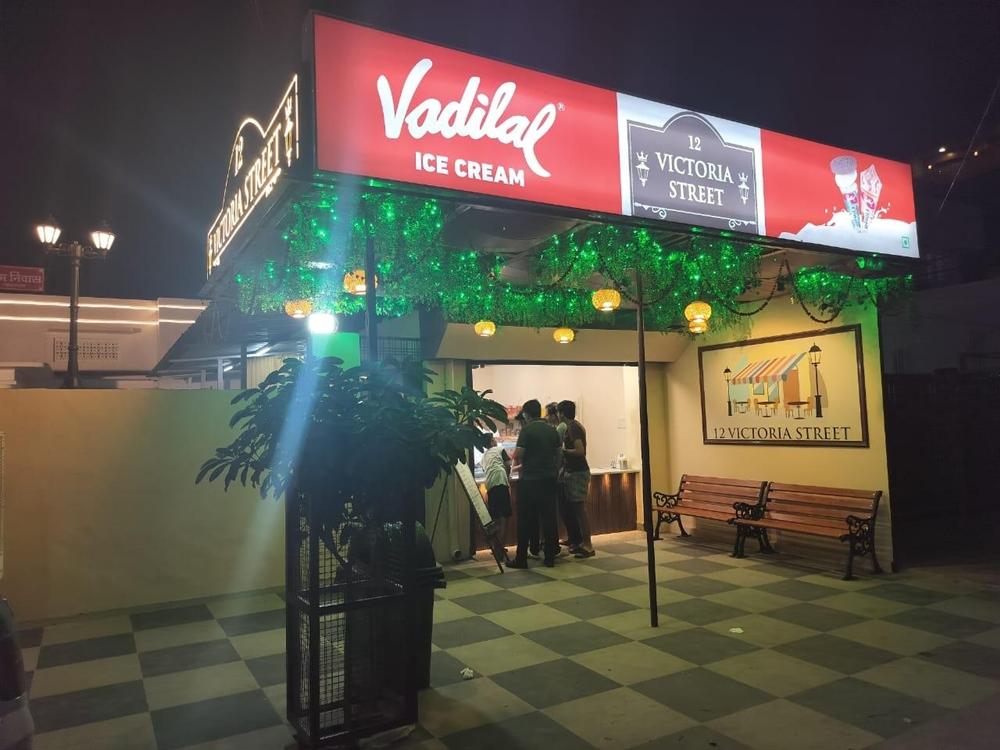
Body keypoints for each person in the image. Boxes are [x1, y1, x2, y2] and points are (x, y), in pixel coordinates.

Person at [508, 399, 561, 568]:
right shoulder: (552, 430)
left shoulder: (527, 430)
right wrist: (553, 471)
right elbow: (559, 455)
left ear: (526, 414)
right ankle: (550, 557)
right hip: (549, 480)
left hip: (529, 481)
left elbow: (519, 454)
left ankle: (521, 558)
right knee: (549, 519)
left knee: (525, 520)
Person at [558, 400, 594, 558]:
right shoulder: (576, 425)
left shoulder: (572, 427)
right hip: (575, 471)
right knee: (577, 510)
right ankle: (582, 543)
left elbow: (580, 451)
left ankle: (588, 545)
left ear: (562, 413)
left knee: (580, 510)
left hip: (578, 472)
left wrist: (563, 452)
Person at [480, 434, 512, 561]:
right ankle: (500, 549)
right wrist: (508, 479)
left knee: (495, 519)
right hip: (501, 482)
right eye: (493, 439)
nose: (495, 441)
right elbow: (508, 465)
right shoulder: (499, 449)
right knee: (504, 518)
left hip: (491, 486)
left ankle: (495, 547)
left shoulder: (483, 457)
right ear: (491, 442)